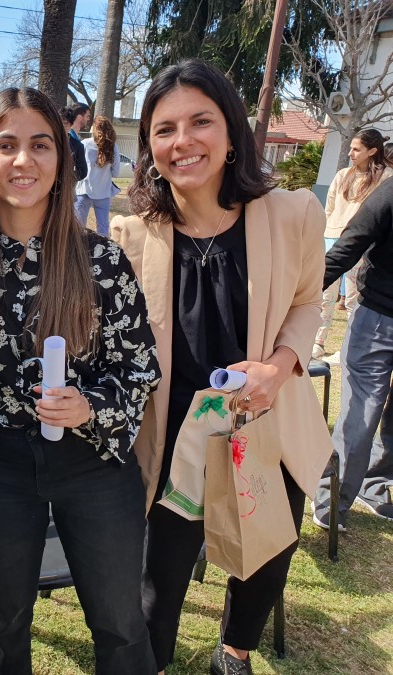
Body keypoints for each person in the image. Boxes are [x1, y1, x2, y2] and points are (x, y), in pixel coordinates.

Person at [111, 59, 330, 675]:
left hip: (265, 428)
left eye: (201, 121)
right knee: (160, 581)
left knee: (261, 561)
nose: (183, 141)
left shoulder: (293, 215)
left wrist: (281, 365)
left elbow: (309, 301)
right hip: (173, 438)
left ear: (232, 132)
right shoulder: (131, 238)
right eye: (164, 129)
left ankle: (233, 652)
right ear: (150, 147)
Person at [0, 86, 161, 675]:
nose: (23, 161)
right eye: (6, 145)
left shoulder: (100, 259)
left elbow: (139, 364)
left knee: (120, 620)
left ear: (62, 159)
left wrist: (91, 406)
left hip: (93, 464)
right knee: (5, 620)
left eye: (40, 145)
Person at [314, 176, 393, 526]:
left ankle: (354, 493)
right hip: (379, 315)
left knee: (362, 407)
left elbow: (351, 243)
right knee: (363, 410)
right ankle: (339, 498)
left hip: (377, 316)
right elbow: (350, 245)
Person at [313, 128, 391, 359]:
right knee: (326, 295)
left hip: (364, 244)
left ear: (372, 151)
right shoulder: (343, 174)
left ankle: (349, 345)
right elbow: (330, 207)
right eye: (350, 148)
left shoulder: (385, 178)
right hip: (332, 237)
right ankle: (318, 341)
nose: (351, 153)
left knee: (354, 297)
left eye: (356, 149)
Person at [75, 115, 121, 234]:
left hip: (84, 190)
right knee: (103, 227)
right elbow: (116, 173)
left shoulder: (84, 143)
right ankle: (103, 250)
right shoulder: (113, 147)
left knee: (78, 228)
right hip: (103, 192)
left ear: (94, 128)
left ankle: (77, 251)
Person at [59, 106, 88, 185]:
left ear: (71, 125)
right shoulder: (49, 141)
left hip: (66, 187)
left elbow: (82, 171)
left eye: (65, 123)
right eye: (60, 123)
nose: (62, 126)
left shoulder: (77, 145)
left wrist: (66, 177)